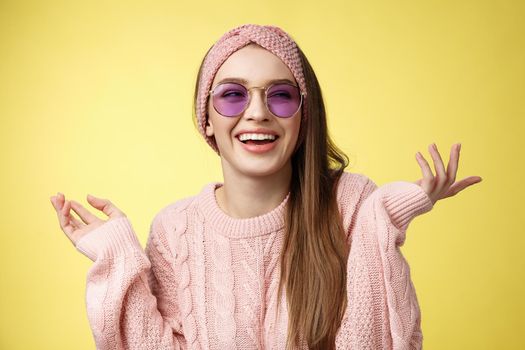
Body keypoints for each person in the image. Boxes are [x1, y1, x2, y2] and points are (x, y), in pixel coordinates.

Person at [49, 24, 482, 350]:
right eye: (233, 95)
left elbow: (374, 336)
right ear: (207, 119)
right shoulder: (174, 229)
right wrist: (117, 254)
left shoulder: (349, 204)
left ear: (303, 116)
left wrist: (384, 212)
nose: (257, 113)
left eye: (280, 95)